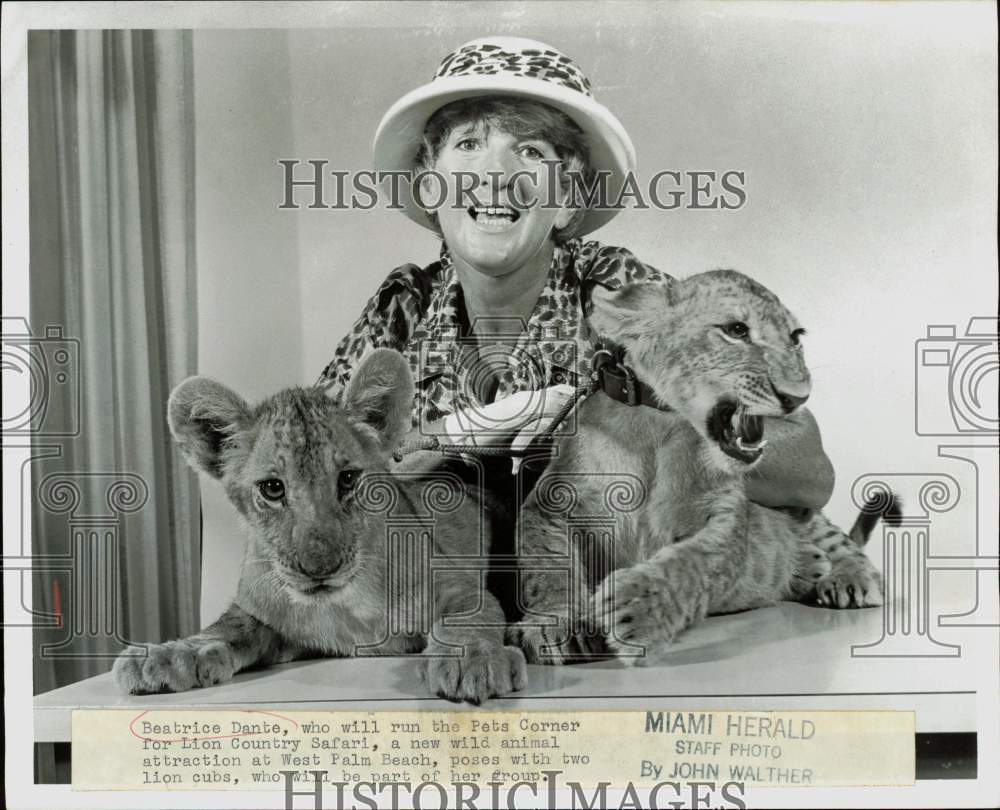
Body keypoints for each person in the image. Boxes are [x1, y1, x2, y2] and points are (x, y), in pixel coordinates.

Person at [317, 36, 834, 516]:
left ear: (566, 201)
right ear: (430, 187)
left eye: (530, 151)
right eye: (470, 144)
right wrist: (455, 434)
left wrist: (660, 411)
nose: (496, 175)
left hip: (595, 600)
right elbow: (308, 473)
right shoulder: (403, 304)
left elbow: (809, 479)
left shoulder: (614, 288)